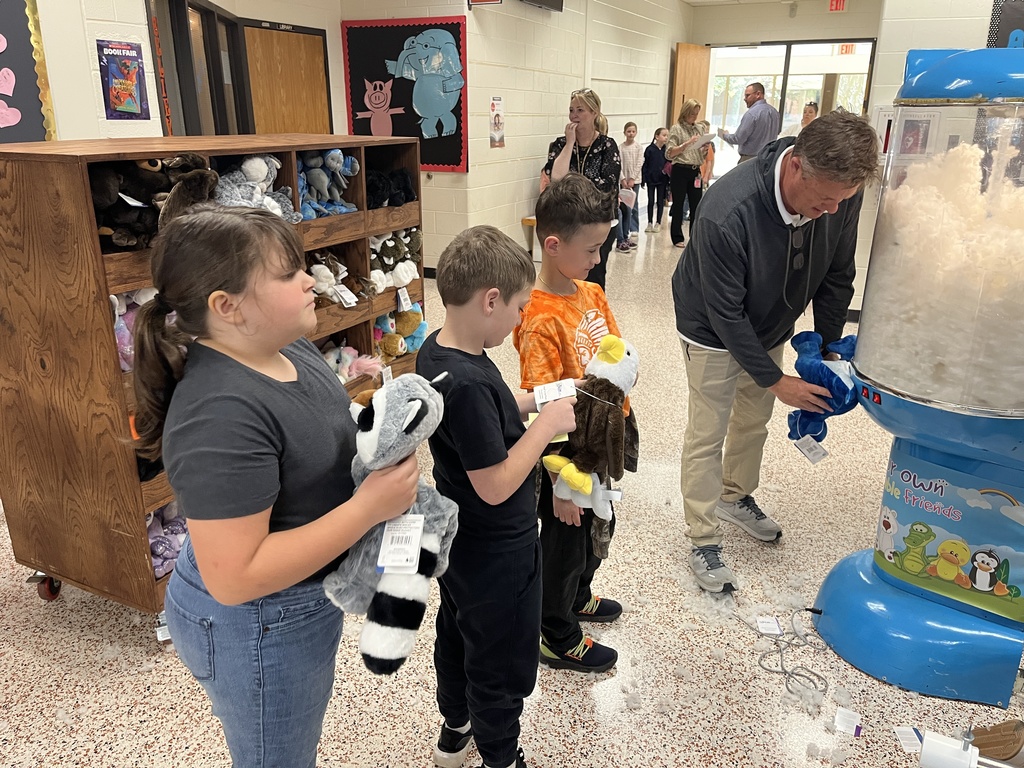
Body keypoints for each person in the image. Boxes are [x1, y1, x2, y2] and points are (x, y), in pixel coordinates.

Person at [132, 207, 420, 767]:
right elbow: (235, 578)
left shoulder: (286, 346)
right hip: (261, 624)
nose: (311, 279)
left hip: (303, 601)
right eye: (288, 274)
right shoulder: (219, 413)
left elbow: (317, 432)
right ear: (227, 306)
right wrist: (367, 509)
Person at [671, 109, 878, 593]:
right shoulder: (728, 211)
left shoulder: (840, 194)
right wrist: (777, 380)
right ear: (795, 167)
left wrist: (828, 353)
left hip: (769, 319)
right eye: (825, 199)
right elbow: (725, 314)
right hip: (711, 325)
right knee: (709, 428)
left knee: (753, 417)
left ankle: (734, 494)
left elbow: (837, 274)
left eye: (841, 202)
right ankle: (703, 536)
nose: (832, 211)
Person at [417, 225, 578, 768]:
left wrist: (532, 400)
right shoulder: (466, 383)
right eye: (517, 308)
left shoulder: (436, 352)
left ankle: (456, 728)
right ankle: (501, 756)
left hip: (458, 539)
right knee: (500, 656)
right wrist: (548, 424)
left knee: (459, 629)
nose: (518, 321)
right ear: (490, 300)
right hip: (499, 548)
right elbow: (495, 483)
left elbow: (484, 414)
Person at [513, 173, 627, 674]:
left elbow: (614, 355)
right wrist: (560, 483)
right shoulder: (538, 318)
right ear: (553, 245)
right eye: (592, 248)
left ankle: (580, 594)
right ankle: (556, 633)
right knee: (564, 542)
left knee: (599, 526)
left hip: (600, 443)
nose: (597, 258)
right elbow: (542, 406)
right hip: (567, 458)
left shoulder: (591, 293)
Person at [544, 88, 620, 291]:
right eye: (571, 110)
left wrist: (572, 183)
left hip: (598, 221)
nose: (574, 115)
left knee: (594, 273)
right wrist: (570, 143)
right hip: (570, 221)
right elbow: (557, 179)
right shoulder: (560, 144)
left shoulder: (607, 145)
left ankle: (594, 315)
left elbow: (607, 184)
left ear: (594, 112)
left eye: (580, 110)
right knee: (567, 274)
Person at [667, 98, 711, 248]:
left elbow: (701, 155)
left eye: (696, 114)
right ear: (685, 112)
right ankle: (677, 237)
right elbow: (669, 153)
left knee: (696, 205)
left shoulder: (699, 128)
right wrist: (686, 144)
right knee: (678, 204)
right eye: (692, 114)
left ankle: (695, 236)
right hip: (680, 169)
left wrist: (704, 149)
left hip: (695, 170)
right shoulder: (676, 128)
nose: (694, 117)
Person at [717, 81, 781, 163]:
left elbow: (738, 138)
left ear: (758, 94)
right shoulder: (774, 112)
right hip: (768, 160)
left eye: (747, 95)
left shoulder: (752, 114)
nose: (745, 99)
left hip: (750, 161)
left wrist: (725, 135)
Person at [617, 121, 643, 252]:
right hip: (623, 182)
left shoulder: (638, 147)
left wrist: (632, 178)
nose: (631, 133)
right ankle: (623, 235)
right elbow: (618, 165)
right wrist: (622, 179)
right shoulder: (620, 147)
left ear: (636, 132)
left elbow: (639, 163)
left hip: (634, 181)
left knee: (633, 207)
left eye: (633, 131)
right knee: (623, 208)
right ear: (624, 133)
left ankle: (632, 229)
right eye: (628, 131)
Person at [642, 127, 670, 232]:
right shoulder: (650, 149)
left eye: (667, 135)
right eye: (664, 135)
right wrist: (643, 178)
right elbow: (645, 165)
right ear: (657, 136)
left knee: (660, 201)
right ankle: (649, 222)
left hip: (662, 180)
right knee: (651, 200)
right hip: (651, 179)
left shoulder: (666, 150)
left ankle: (658, 222)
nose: (666, 137)